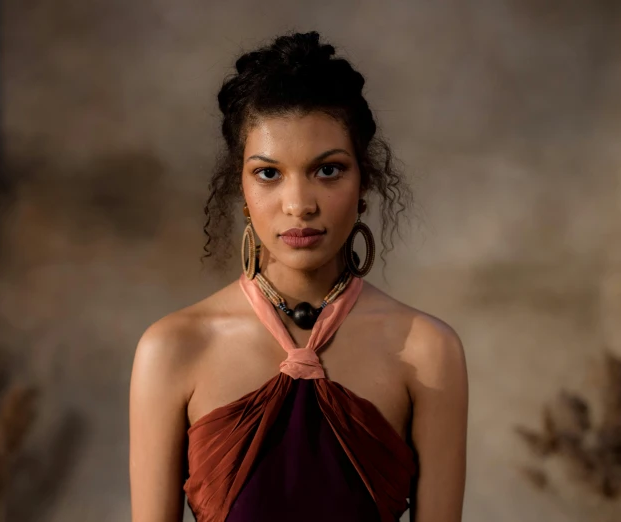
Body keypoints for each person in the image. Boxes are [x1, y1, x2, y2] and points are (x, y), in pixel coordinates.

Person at [129, 31, 468, 522]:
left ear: (364, 180)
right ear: (240, 186)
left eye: (327, 170)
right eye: (269, 173)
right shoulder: (172, 349)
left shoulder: (429, 351)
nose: (299, 205)